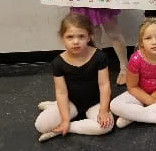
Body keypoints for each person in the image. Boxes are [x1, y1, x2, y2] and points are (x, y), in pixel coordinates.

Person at [34, 13, 114, 142]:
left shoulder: (99, 57)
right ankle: (55, 109)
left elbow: (104, 85)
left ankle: (64, 129)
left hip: (95, 102)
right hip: (71, 102)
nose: (76, 41)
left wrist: (103, 111)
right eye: (70, 37)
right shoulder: (58, 62)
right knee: (41, 125)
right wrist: (65, 118)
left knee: (106, 126)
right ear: (62, 38)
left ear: (89, 37)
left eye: (81, 36)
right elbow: (61, 92)